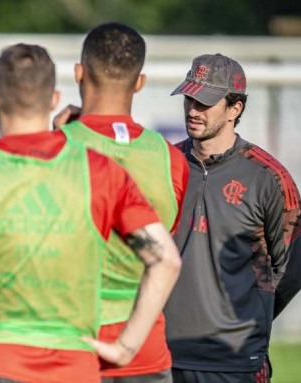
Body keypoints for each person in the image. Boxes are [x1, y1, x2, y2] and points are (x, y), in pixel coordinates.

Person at [0, 43, 182, 383]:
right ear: (54, 99)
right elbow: (166, 260)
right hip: (72, 367)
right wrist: (125, 347)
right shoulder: (100, 171)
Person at [55, 22, 189, 383]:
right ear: (139, 82)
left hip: (69, 339)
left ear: (79, 74)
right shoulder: (170, 159)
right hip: (145, 345)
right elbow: (162, 247)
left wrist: (55, 134)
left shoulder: (53, 148)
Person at [164, 54, 301, 383]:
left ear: (235, 109)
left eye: (206, 102)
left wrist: (248, 314)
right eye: (189, 98)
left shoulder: (268, 177)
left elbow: (292, 269)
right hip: (164, 355)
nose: (194, 110)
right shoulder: (164, 164)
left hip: (235, 361)